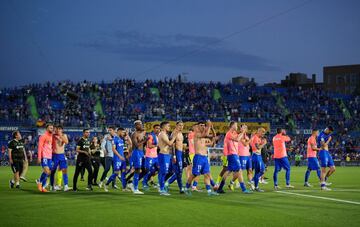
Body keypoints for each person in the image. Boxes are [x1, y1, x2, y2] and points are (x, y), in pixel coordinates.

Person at [184, 121, 218, 196]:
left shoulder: (203, 136)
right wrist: (208, 126)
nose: (203, 126)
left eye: (204, 125)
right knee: (194, 174)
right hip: (198, 157)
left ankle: (209, 191)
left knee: (207, 174)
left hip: (204, 157)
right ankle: (186, 188)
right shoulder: (197, 134)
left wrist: (212, 128)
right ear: (198, 127)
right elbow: (205, 135)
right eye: (201, 125)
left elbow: (214, 136)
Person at [216, 122, 251, 194]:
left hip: (234, 154)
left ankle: (220, 188)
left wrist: (243, 131)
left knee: (228, 171)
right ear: (232, 126)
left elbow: (242, 137)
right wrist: (243, 131)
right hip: (232, 154)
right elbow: (237, 139)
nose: (237, 126)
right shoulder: (229, 133)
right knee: (239, 170)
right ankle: (243, 189)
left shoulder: (234, 133)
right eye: (235, 125)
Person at [158, 121, 178, 196]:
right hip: (163, 155)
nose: (169, 127)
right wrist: (174, 137)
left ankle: (161, 186)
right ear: (164, 127)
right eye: (168, 126)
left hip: (167, 155)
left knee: (168, 172)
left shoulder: (165, 134)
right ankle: (161, 189)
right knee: (163, 172)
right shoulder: (162, 134)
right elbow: (169, 143)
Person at [104, 127, 127, 192]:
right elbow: (113, 149)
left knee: (123, 173)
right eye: (123, 132)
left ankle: (124, 188)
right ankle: (106, 184)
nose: (123, 133)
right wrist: (119, 156)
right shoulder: (115, 139)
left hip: (122, 159)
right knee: (116, 173)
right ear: (119, 131)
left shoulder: (121, 140)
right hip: (117, 159)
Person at [50, 125, 70, 191]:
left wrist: (60, 136)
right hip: (54, 155)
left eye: (59, 129)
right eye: (57, 129)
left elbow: (66, 142)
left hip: (61, 155)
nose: (57, 130)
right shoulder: (53, 136)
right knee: (52, 171)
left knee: (64, 170)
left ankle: (66, 186)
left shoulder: (64, 135)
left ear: (62, 130)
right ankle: (51, 186)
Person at [166, 121, 185, 193]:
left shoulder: (180, 133)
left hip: (180, 154)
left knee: (178, 171)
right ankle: (180, 188)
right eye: (179, 125)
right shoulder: (174, 133)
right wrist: (174, 155)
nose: (181, 127)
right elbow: (172, 145)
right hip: (176, 153)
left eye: (182, 125)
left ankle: (166, 184)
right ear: (176, 126)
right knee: (178, 171)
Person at [131, 120, 148, 194]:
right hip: (136, 152)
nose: (141, 126)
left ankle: (132, 183)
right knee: (137, 169)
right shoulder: (134, 134)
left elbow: (143, 145)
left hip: (141, 153)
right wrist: (145, 140)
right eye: (139, 125)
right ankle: (135, 188)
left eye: (141, 124)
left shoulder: (142, 133)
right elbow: (136, 145)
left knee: (145, 170)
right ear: (136, 126)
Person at [36, 123, 54, 193]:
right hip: (44, 156)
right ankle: (40, 183)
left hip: (50, 157)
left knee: (48, 172)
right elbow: (40, 147)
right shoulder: (43, 136)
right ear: (47, 128)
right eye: (50, 128)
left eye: (52, 128)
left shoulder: (51, 136)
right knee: (46, 171)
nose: (51, 129)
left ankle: (42, 186)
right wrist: (39, 157)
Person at [142, 124, 160, 190]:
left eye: (159, 128)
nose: (158, 129)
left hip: (155, 156)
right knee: (147, 170)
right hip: (149, 156)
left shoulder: (157, 136)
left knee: (159, 169)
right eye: (156, 128)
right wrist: (157, 145)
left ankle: (148, 180)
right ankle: (144, 183)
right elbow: (149, 145)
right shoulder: (150, 136)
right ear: (154, 129)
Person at [318, 126, 335, 191]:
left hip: (327, 152)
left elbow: (329, 136)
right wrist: (328, 140)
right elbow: (323, 145)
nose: (330, 133)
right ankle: (323, 186)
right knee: (323, 169)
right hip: (322, 152)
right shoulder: (321, 136)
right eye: (330, 132)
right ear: (327, 129)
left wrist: (329, 138)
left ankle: (324, 180)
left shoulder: (328, 133)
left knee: (333, 169)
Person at [238, 124, 254, 190]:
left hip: (247, 156)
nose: (245, 128)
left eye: (246, 127)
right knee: (239, 171)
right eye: (244, 127)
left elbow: (248, 145)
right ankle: (234, 182)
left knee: (250, 170)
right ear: (241, 129)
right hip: (241, 155)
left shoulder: (246, 136)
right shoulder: (240, 136)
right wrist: (251, 138)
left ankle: (251, 183)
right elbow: (245, 144)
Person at [250, 128, 267, 192]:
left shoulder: (258, 138)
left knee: (262, 170)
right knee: (258, 171)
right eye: (262, 132)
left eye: (264, 132)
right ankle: (256, 186)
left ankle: (252, 181)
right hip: (256, 156)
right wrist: (263, 143)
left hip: (259, 156)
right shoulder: (255, 138)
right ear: (259, 131)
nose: (263, 134)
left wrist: (262, 143)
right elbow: (257, 147)